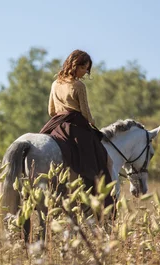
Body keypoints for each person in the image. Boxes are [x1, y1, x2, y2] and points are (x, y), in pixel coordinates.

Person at [40, 49, 113, 206]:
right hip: (75, 124)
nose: (85, 72)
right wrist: (93, 123)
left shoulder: (55, 84)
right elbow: (86, 113)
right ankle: (99, 196)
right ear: (74, 65)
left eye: (87, 69)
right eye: (83, 68)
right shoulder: (79, 86)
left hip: (56, 123)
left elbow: (51, 111)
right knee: (100, 155)